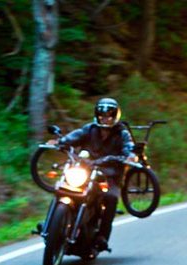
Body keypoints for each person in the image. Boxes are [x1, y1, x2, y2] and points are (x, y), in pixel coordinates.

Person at [46, 97, 137, 253]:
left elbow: (129, 147)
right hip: (85, 171)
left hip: (110, 175)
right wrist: (59, 142)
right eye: (102, 114)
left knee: (111, 197)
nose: (105, 117)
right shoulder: (89, 129)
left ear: (115, 115)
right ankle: (50, 224)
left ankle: (102, 236)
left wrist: (130, 156)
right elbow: (73, 137)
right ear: (97, 114)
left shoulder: (122, 133)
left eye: (109, 114)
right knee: (61, 187)